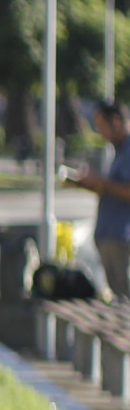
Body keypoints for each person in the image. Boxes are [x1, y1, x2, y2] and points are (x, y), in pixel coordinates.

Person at [74, 100, 130, 301]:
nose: (100, 133)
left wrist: (101, 181)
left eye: (101, 126)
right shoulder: (118, 151)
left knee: (125, 301)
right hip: (110, 234)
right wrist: (91, 185)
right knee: (118, 299)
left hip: (122, 238)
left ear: (115, 121)